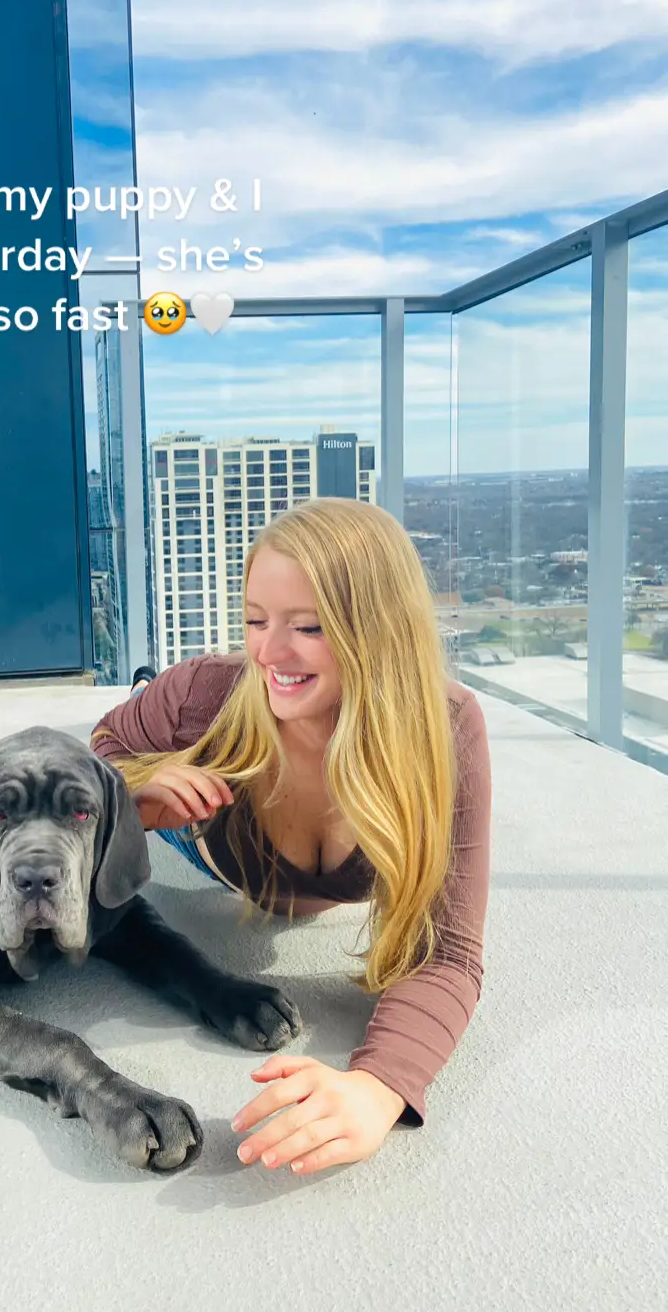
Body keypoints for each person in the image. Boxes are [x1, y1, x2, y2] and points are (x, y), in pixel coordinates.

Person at [90, 497, 491, 1177]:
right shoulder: (206, 696)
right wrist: (133, 795)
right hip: (207, 842)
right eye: (255, 620)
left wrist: (379, 1086)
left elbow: (448, 951)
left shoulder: (446, 729)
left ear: (377, 629)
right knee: (163, 714)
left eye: (306, 627)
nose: (270, 651)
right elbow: (99, 750)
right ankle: (146, 690)